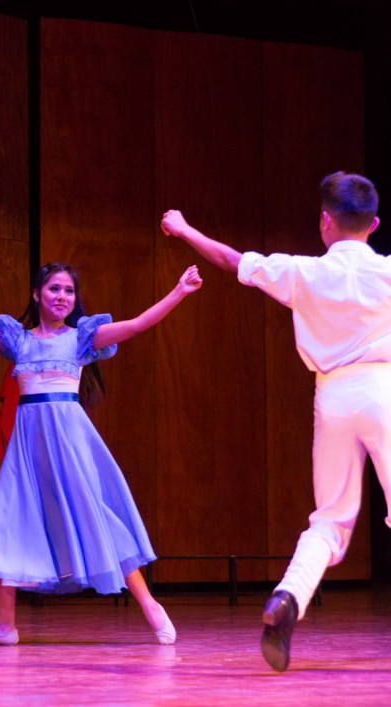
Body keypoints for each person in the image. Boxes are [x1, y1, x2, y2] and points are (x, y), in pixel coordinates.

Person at [0, 263, 201, 646]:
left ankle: (149, 603)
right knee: (3, 524)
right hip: (28, 448)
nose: (62, 297)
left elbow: (137, 325)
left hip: (70, 441)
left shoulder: (81, 338)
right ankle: (5, 625)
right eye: (54, 289)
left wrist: (179, 291)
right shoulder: (17, 339)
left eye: (69, 291)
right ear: (38, 294)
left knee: (96, 516)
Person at [161, 171, 390, 672]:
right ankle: (287, 599)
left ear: (324, 222)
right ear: (373, 224)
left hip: (332, 395)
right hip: (383, 387)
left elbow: (231, 260)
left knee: (330, 518)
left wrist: (183, 228)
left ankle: (288, 597)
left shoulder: (302, 272)